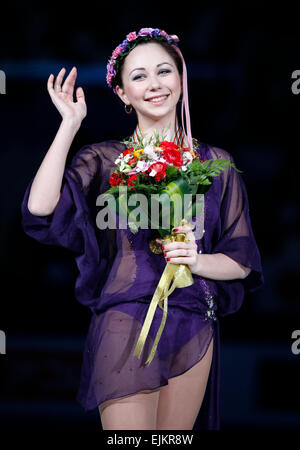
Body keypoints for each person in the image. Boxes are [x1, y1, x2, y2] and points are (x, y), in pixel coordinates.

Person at [21, 27, 264, 430]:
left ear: (181, 80)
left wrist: (196, 259)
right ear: (122, 93)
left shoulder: (216, 163)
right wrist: (68, 125)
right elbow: (40, 207)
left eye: (164, 71)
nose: (154, 84)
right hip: (127, 316)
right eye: (139, 76)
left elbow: (241, 262)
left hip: (194, 320)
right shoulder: (103, 158)